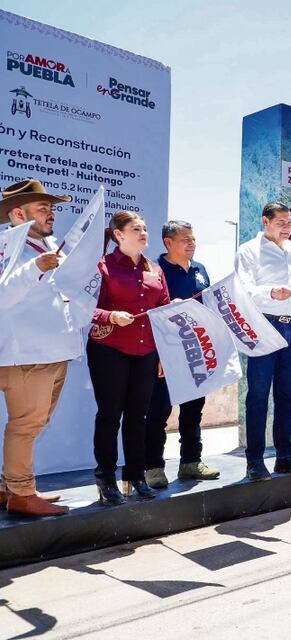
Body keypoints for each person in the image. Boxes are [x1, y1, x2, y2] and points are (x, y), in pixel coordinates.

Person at [0, 179, 76, 516]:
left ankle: (9, 487)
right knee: (26, 425)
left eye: (51, 208)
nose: (51, 213)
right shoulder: (7, 246)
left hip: (52, 351)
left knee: (33, 423)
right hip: (27, 354)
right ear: (19, 214)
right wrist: (35, 268)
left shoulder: (48, 245)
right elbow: (3, 296)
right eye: (43, 208)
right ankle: (21, 493)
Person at [87, 211, 171, 504]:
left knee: (138, 417)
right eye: (136, 229)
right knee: (110, 415)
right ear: (119, 234)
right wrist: (110, 316)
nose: (144, 232)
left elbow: (164, 312)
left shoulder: (155, 269)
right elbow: (85, 307)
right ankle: (106, 478)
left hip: (146, 352)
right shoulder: (102, 266)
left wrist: (164, 354)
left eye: (145, 228)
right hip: (109, 350)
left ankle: (136, 476)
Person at [235, 202, 291, 481]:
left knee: (287, 396)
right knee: (258, 396)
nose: (287, 228)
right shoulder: (248, 251)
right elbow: (243, 290)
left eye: (290, 223)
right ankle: (254, 461)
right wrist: (271, 292)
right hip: (264, 325)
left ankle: (284, 457)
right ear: (265, 221)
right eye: (281, 223)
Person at [143, 221, 220, 488]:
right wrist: (159, 355)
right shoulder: (154, 270)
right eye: (185, 239)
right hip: (166, 352)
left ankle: (190, 462)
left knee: (193, 410)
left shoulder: (200, 270)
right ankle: (152, 466)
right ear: (168, 242)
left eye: (193, 239)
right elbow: (151, 315)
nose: (191, 243)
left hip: (195, 351)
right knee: (159, 410)